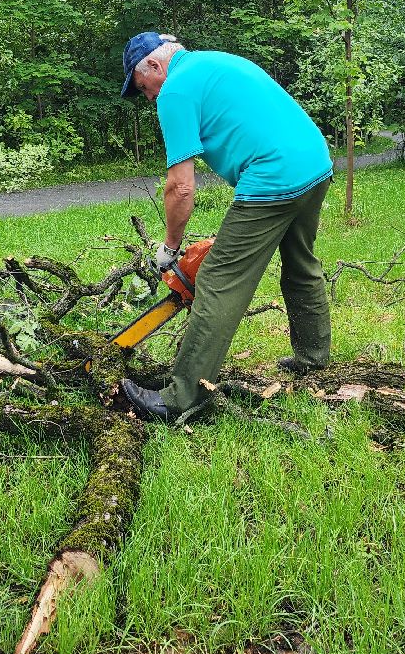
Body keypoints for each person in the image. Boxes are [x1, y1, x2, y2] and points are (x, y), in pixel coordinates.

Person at [117, 31, 333, 421]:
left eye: (144, 89)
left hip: (274, 177)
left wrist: (168, 247)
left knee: (218, 281)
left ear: (153, 65)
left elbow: (180, 187)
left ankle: (181, 400)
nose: (149, 98)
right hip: (315, 163)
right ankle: (313, 357)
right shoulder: (214, 60)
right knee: (301, 263)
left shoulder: (175, 92)